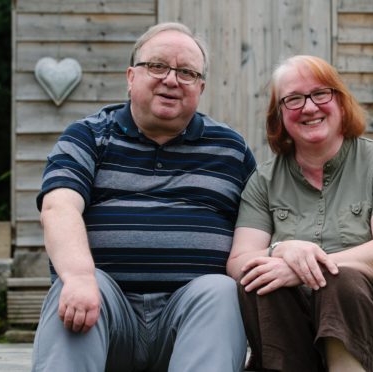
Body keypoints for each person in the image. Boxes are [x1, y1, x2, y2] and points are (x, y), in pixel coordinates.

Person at [32, 22, 256, 372]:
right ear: (131, 76)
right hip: (105, 315)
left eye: (186, 72)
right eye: (157, 66)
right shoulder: (88, 136)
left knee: (220, 291)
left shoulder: (231, 149)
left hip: (190, 325)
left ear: (200, 87)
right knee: (77, 287)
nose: (171, 79)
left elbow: (261, 224)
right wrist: (78, 276)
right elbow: (58, 206)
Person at [227, 55, 373, 372]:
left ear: (341, 102)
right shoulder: (263, 181)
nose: (308, 107)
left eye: (321, 93)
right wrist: (281, 250)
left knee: (340, 281)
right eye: (293, 99)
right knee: (262, 280)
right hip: (297, 331)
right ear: (279, 115)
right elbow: (239, 262)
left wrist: (307, 269)